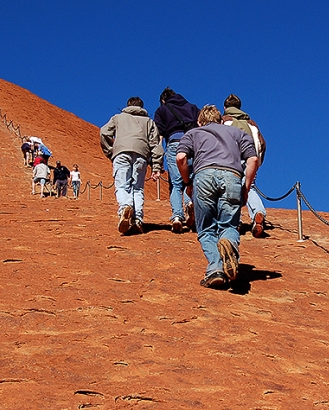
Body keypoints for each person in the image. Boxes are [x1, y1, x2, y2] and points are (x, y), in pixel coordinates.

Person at [176, 105, 258, 289]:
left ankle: (215, 269)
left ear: (199, 121)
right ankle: (228, 243)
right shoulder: (237, 133)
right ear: (221, 120)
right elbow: (253, 159)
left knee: (205, 229)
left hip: (203, 177)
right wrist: (246, 187)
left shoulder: (193, 133)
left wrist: (187, 182)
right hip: (232, 177)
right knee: (229, 225)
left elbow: (181, 157)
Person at [100, 96, 164, 235]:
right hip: (141, 155)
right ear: (141, 107)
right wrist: (156, 166)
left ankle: (125, 207)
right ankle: (137, 220)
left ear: (128, 105)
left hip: (121, 153)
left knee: (122, 185)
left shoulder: (118, 118)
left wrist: (111, 151)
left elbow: (104, 132)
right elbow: (155, 145)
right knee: (138, 188)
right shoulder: (149, 122)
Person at [153, 87, 199, 233]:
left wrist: (157, 159)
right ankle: (190, 203)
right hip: (192, 144)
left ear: (163, 100)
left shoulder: (162, 110)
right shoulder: (192, 107)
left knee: (175, 183)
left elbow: (158, 135)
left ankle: (178, 216)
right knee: (190, 179)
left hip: (174, 144)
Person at [222, 94, 268, 237]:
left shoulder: (223, 121)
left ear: (225, 108)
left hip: (230, 161)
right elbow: (262, 144)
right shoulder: (251, 123)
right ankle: (258, 213)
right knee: (250, 188)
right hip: (250, 159)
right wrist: (257, 162)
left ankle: (236, 222)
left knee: (229, 190)